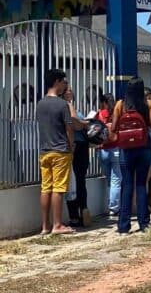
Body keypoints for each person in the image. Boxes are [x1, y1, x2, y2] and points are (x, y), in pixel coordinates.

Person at [112, 77, 151, 234]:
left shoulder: (121, 104)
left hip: (126, 150)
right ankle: (144, 223)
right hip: (144, 147)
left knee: (126, 185)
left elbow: (113, 127)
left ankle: (123, 226)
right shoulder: (148, 104)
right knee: (141, 185)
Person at [37, 69, 76, 235]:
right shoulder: (62, 104)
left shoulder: (40, 103)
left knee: (46, 187)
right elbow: (69, 128)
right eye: (63, 82)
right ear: (57, 82)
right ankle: (58, 225)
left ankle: (45, 225)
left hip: (44, 150)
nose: (64, 85)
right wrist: (71, 144)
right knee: (59, 188)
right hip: (61, 150)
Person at [63, 82, 91, 227]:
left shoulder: (67, 106)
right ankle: (80, 212)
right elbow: (75, 124)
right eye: (69, 90)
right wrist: (86, 123)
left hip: (78, 146)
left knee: (75, 182)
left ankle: (77, 214)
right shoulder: (68, 106)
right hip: (77, 147)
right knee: (78, 181)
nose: (71, 92)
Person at [97, 93, 121, 217]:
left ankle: (110, 206)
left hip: (103, 149)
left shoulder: (100, 114)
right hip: (116, 148)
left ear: (104, 102)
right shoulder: (117, 113)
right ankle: (114, 207)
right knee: (116, 180)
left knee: (108, 180)